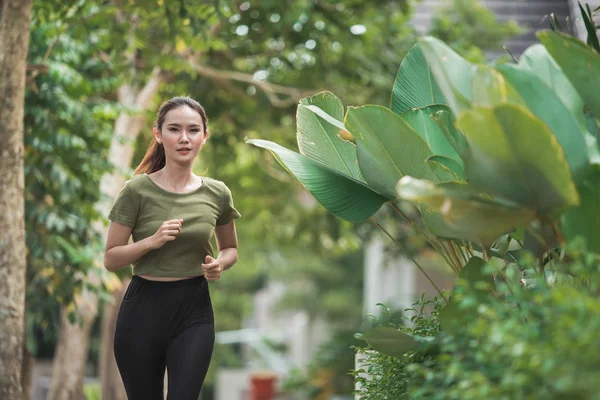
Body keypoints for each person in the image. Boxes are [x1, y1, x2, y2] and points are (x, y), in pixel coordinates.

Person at [103, 96, 241, 400]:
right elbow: (111, 258)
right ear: (158, 134)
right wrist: (151, 242)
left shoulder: (217, 193)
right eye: (174, 129)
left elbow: (230, 248)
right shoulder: (136, 190)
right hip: (142, 310)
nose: (184, 138)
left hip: (193, 310)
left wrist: (220, 264)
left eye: (193, 130)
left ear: (204, 136)